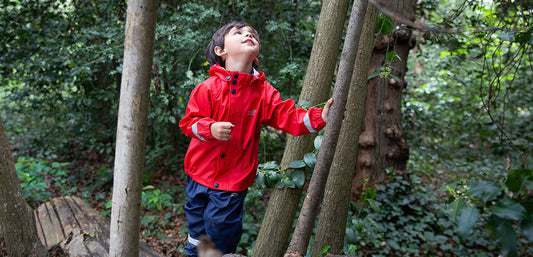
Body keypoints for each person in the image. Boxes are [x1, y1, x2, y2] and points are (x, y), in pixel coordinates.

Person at [179, 21, 333, 257]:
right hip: (198, 174)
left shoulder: (263, 92)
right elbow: (188, 123)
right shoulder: (206, 88)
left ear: (256, 56)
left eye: (252, 34)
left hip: (232, 181)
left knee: (220, 235)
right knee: (196, 232)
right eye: (239, 33)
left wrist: (320, 116)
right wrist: (211, 128)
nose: (248, 34)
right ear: (221, 51)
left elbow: (289, 117)